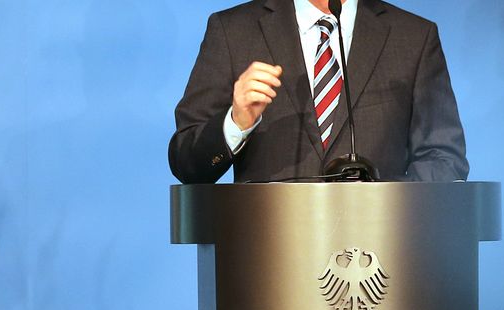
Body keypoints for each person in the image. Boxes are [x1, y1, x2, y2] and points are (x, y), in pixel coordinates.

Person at [169, 0, 469, 183]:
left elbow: (442, 156)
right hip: (265, 262)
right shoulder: (233, 31)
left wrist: (391, 207)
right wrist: (236, 123)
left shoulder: (414, 37)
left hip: (379, 261)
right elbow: (187, 163)